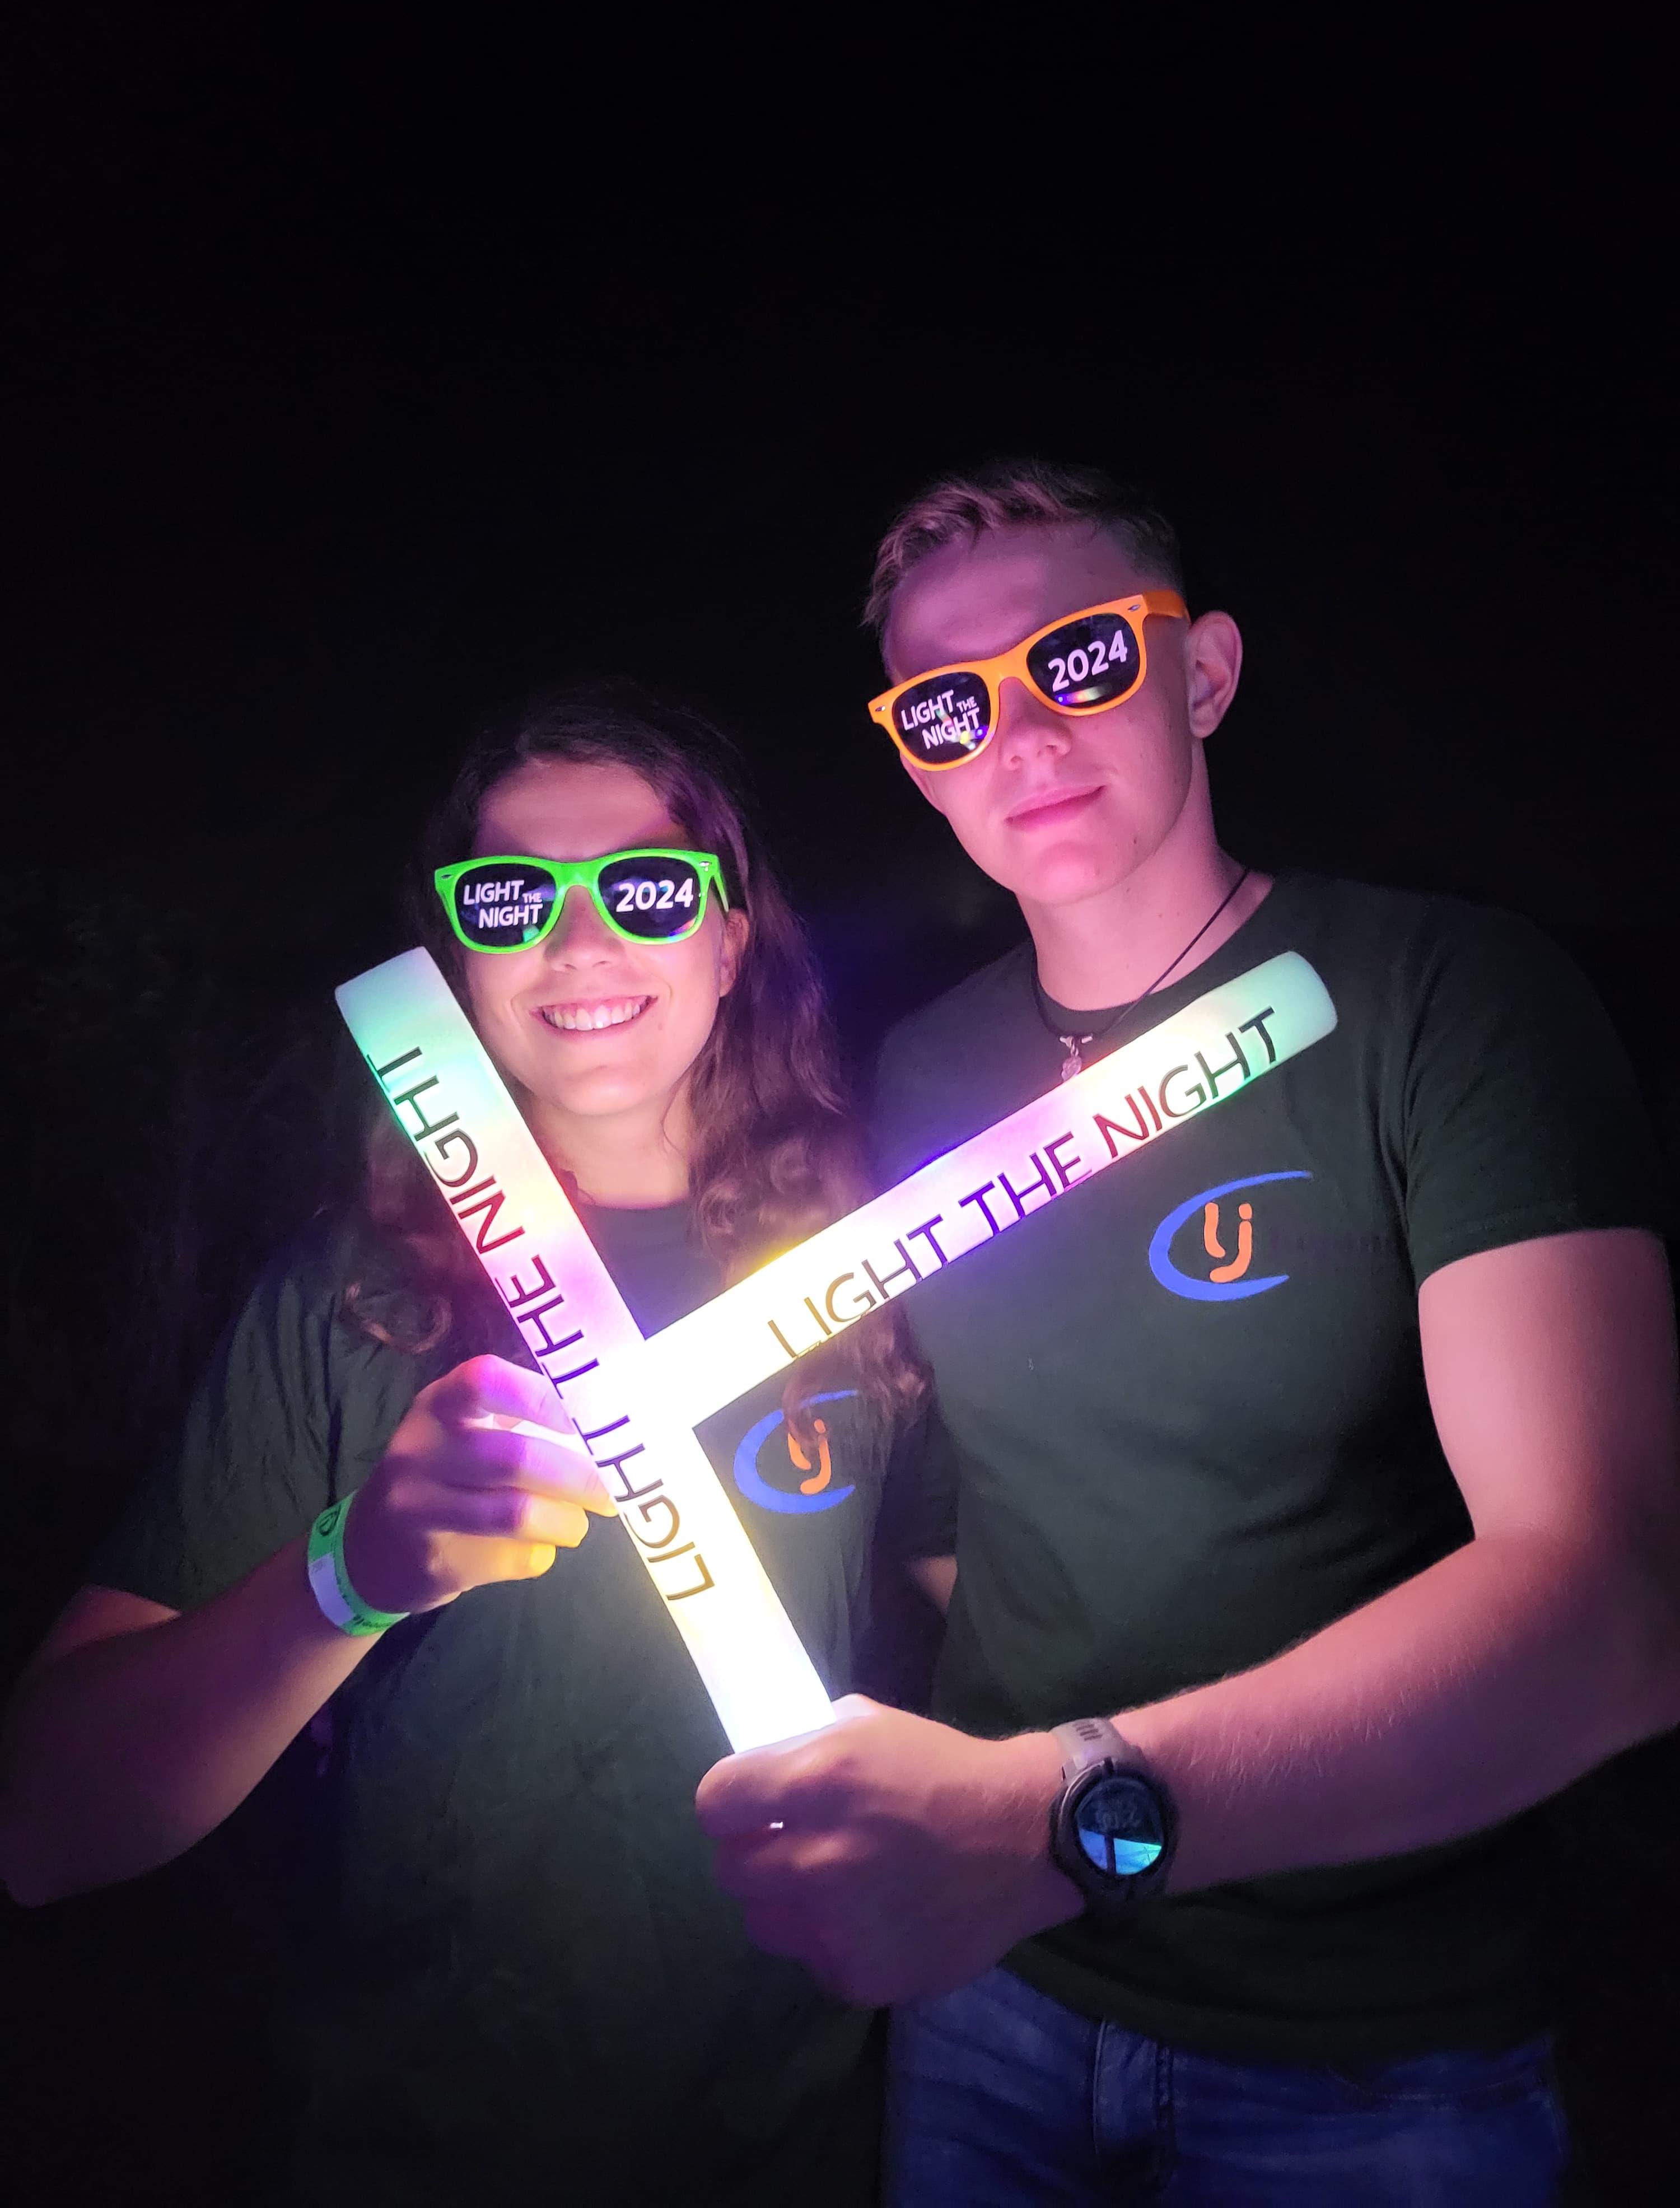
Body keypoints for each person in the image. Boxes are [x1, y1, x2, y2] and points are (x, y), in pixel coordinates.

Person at [695, 464, 1680, 2203]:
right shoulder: (922, 1074)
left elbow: (1612, 1608)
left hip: (1372, 2049)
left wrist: (1053, 1820)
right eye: (948, 707)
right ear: (917, 762)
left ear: (1203, 671)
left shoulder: (1441, 999)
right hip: (998, 2006)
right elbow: (956, 1486)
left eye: (1078, 658)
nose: (1019, 732)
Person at [0, 690, 939, 2207]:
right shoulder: (353, 1301)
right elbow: (45, 1824)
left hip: (796, 2141)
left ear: (730, 935)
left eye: (647, 887)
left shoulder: (876, 1269)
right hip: (416, 2140)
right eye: (511, 899)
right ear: (453, 956)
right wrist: (349, 1573)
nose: (579, 942)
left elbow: (1011, 1631)